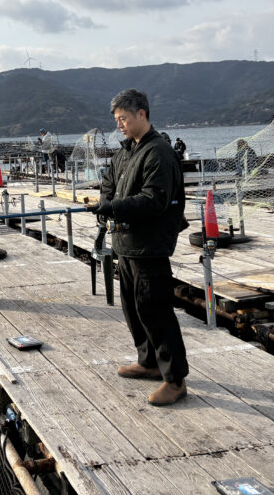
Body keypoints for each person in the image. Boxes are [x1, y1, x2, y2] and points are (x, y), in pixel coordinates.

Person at [89, 89, 188, 407]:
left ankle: (175, 380)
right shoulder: (125, 152)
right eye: (117, 120)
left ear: (141, 114)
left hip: (150, 246)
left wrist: (113, 207)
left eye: (123, 119)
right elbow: (108, 181)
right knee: (133, 307)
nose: (120, 125)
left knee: (157, 310)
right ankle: (148, 362)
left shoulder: (158, 152)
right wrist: (105, 202)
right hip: (126, 244)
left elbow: (155, 199)